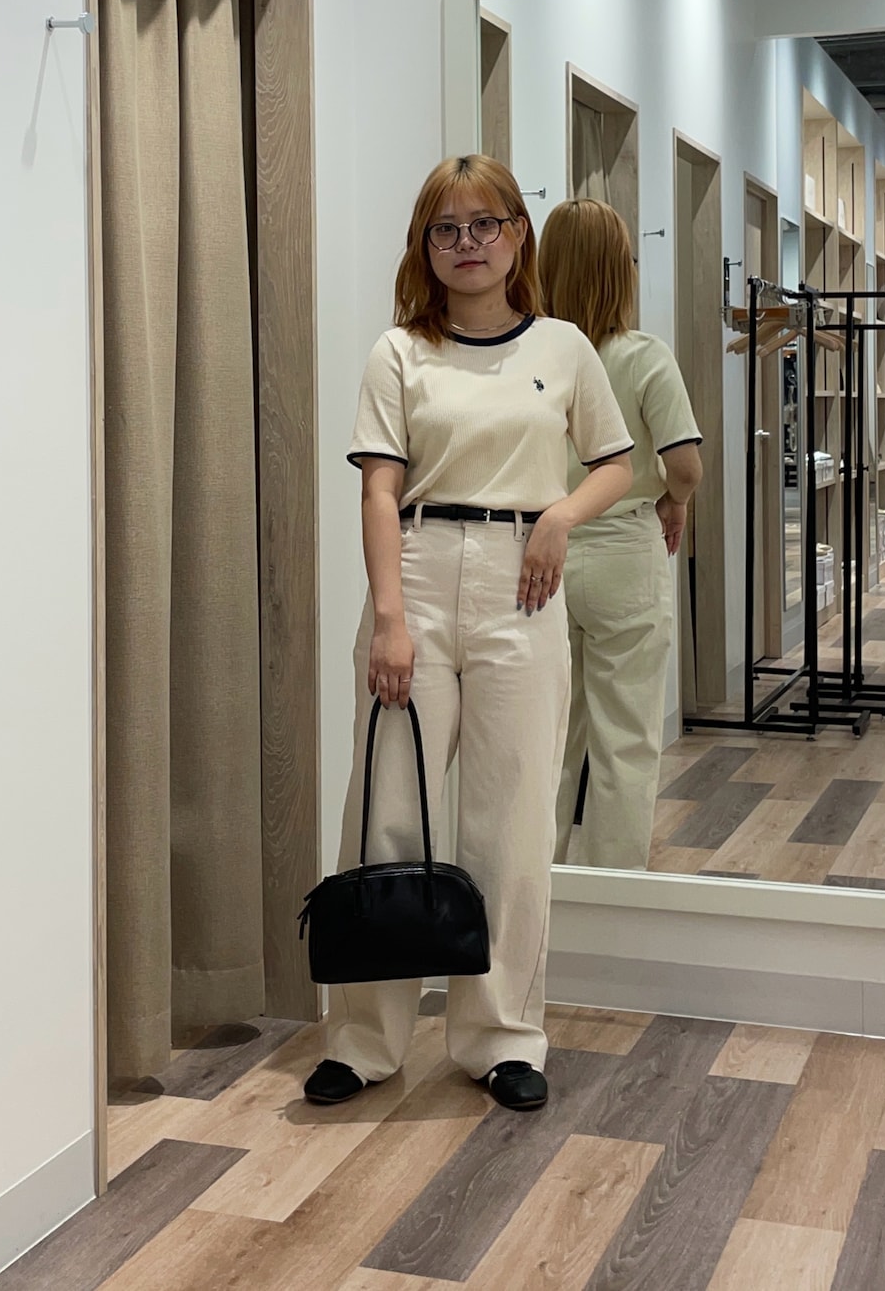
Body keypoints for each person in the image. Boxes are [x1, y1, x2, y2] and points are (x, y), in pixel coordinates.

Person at [303, 157, 633, 1112]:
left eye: (485, 224)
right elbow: (378, 490)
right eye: (445, 229)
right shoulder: (399, 352)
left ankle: (502, 1037)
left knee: (514, 812)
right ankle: (364, 1039)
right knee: (386, 808)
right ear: (426, 247)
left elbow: (615, 463)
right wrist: (390, 619)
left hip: (522, 581)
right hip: (415, 571)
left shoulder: (565, 348)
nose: (467, 244)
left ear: (519, 234)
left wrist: (562, 515)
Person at [538, 199, 703, 872]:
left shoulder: (530, 355)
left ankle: (539, 893)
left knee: (547, 740)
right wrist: (674, 502)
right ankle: (613, 893)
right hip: (624, 553)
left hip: (541, 555)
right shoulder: (643, 357)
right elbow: (685, 466)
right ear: (620, 269)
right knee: (625, 742)